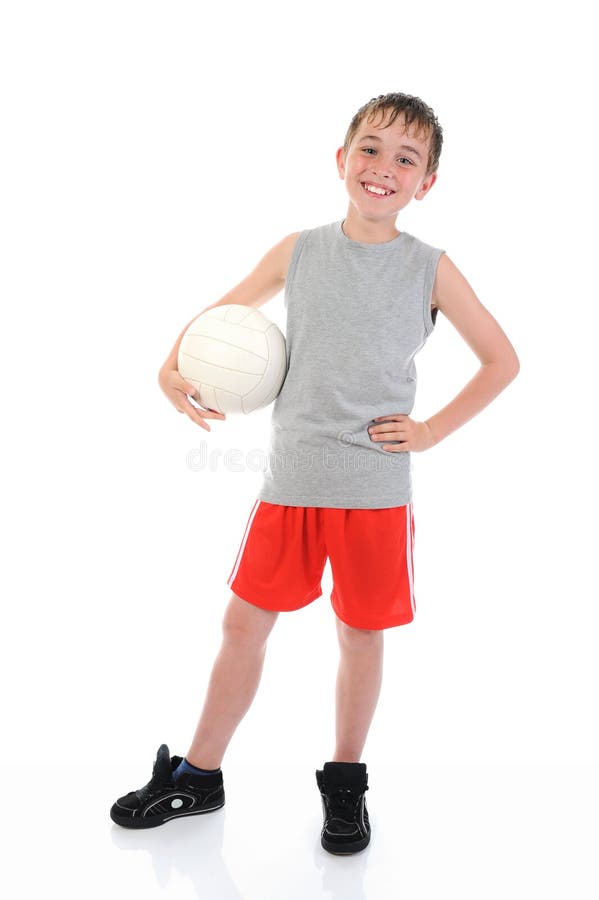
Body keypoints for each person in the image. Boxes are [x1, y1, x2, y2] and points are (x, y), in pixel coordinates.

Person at [110, 92, 520, 854]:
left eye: (407, 158)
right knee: (242, 625)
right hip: (290, 482)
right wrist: (170, 365)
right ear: (340, 161)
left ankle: (344, 783)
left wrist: (429, 430)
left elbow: (503, 362)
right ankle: (198, 776)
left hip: (372, 494)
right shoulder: (297, 250)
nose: (383, 167)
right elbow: (216, 318)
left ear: (426, 183)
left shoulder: (429, 268)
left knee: (360, 637)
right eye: (370, 148)